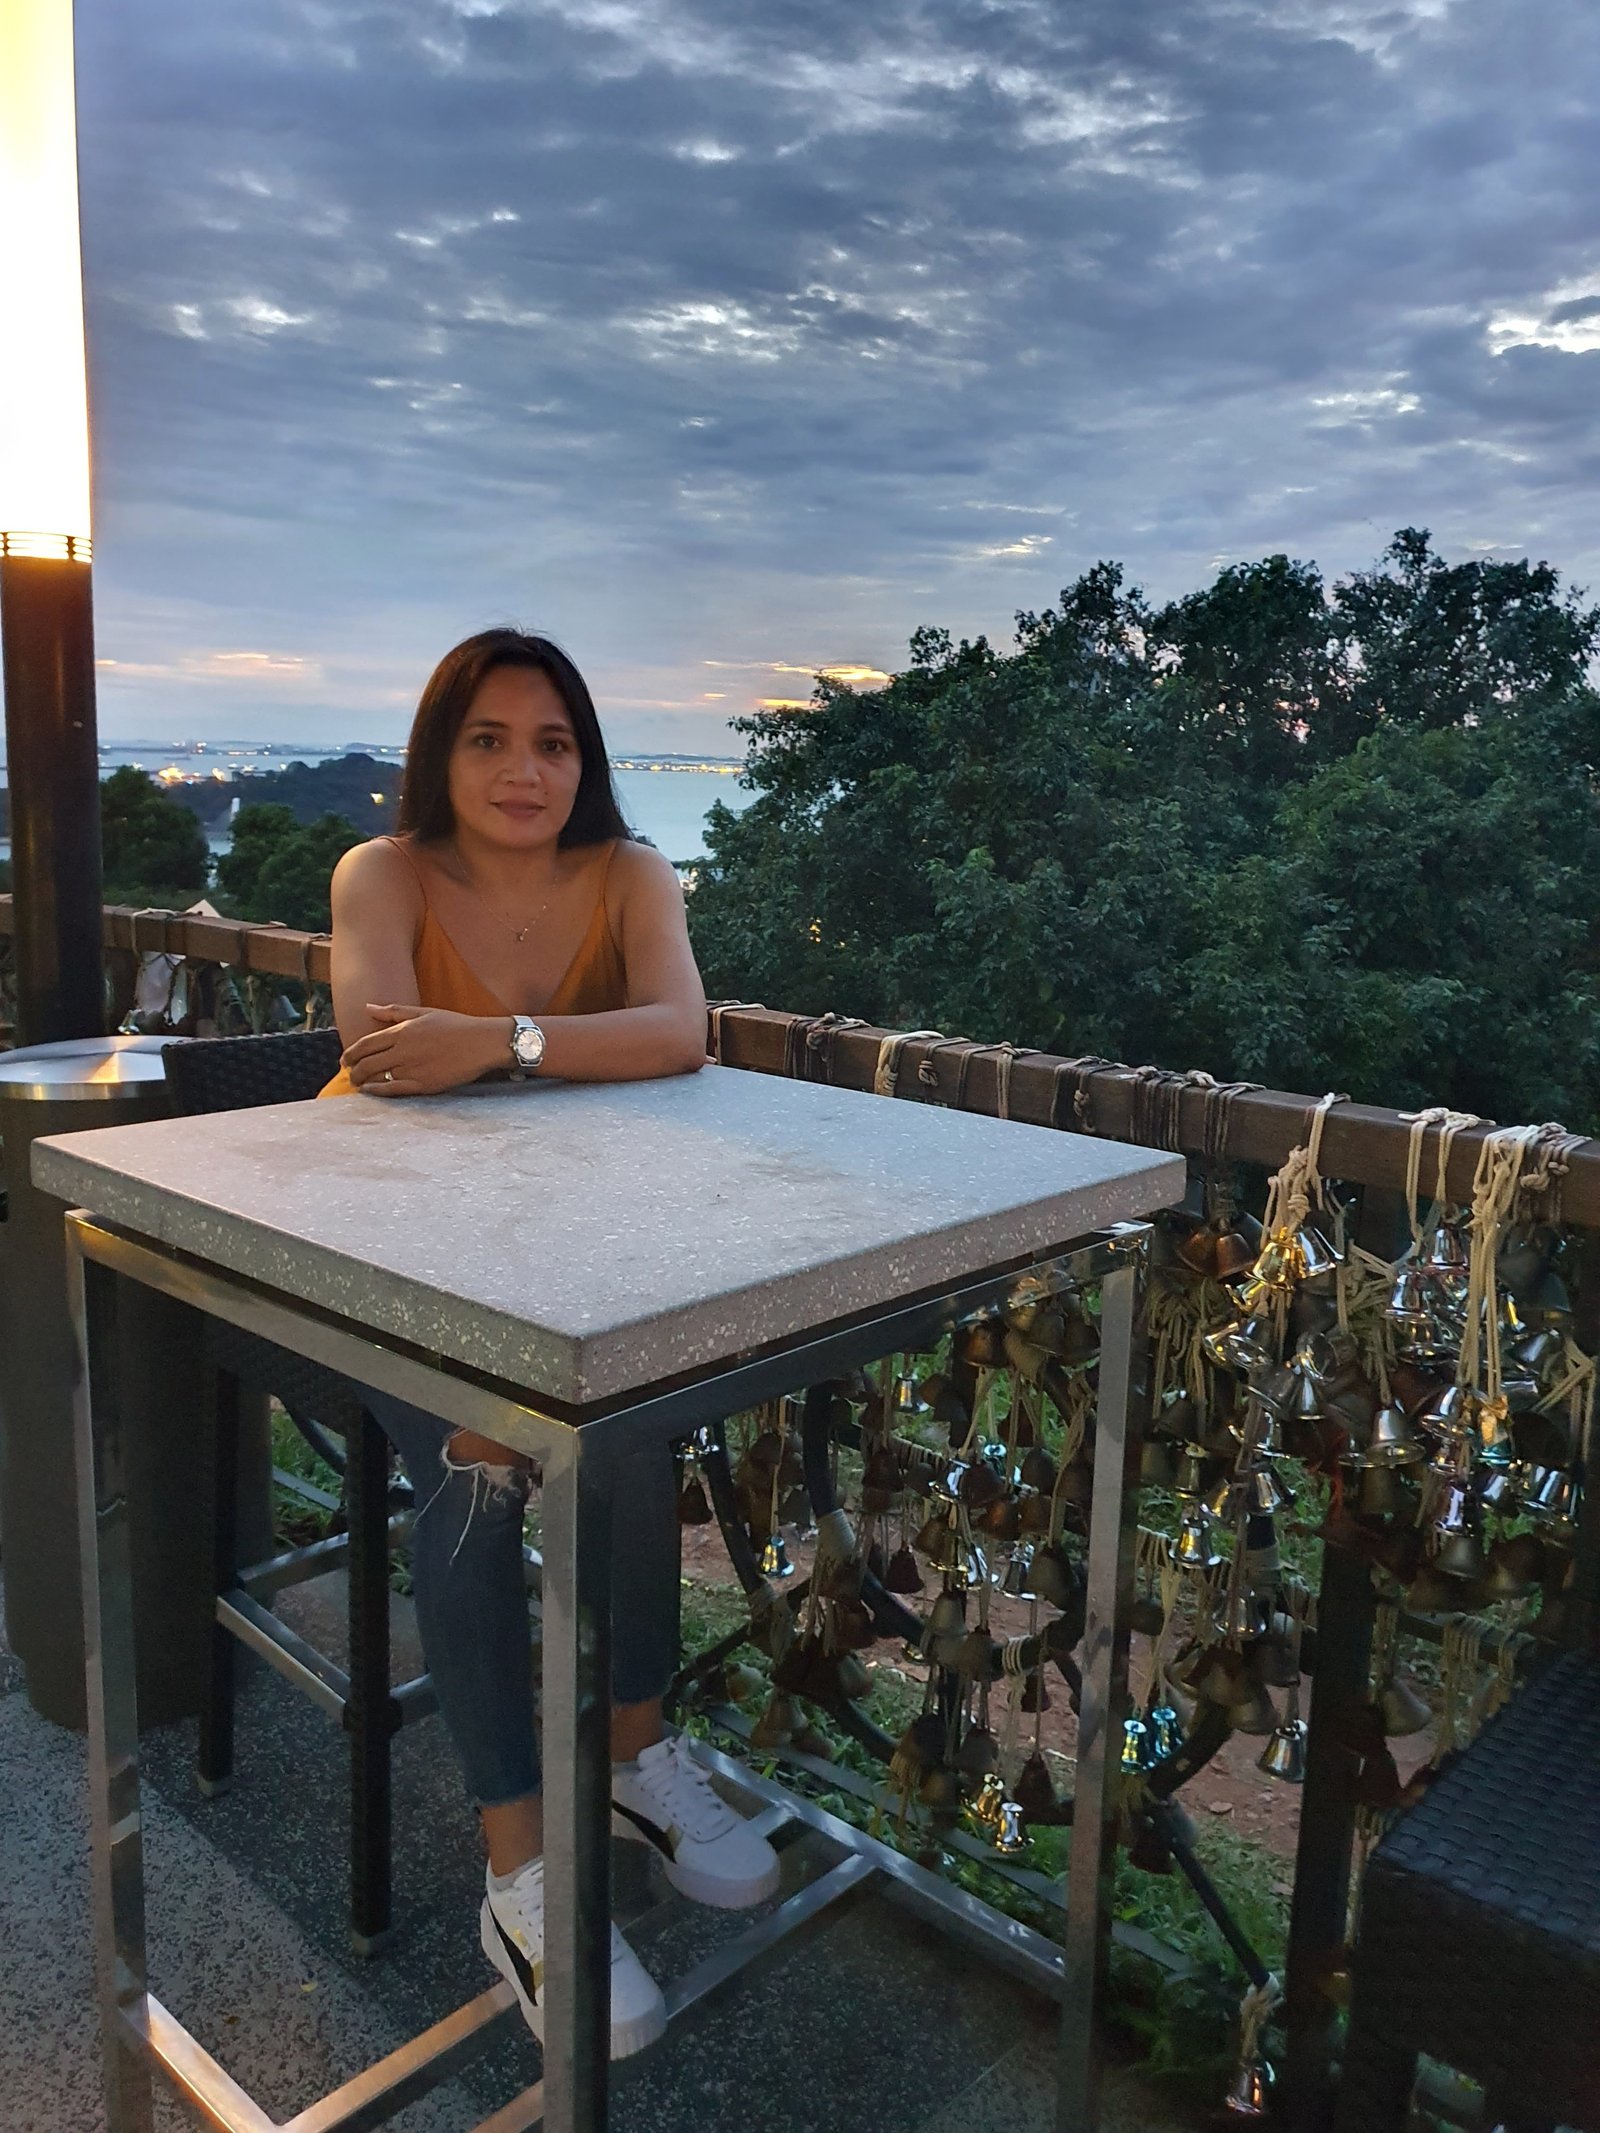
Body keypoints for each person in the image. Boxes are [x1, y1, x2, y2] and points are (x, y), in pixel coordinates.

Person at [321, 627, 779, 2060]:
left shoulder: (632, 874)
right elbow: (382, 1055)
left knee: (630, 1417)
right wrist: (543, 1042)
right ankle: (517, 1867)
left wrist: (497, 1040)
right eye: (490, 739)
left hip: (566, 1245)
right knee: (483, 1451)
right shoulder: (383, 874)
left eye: (554, 742)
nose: (525, 770)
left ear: (587, 760)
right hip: (384, 1251)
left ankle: (636, 1750)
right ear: (440, 752)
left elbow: (682, 1030)